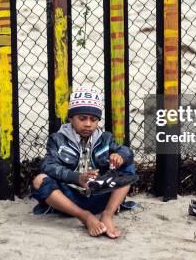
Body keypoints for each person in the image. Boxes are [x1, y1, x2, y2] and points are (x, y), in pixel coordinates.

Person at [31, 87, 135, 238]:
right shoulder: (57, 139)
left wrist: (120, 156)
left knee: (128, 166)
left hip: (100, 195)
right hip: (69, 199)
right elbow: (48, 166)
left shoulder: (105, 138)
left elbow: (127, 151)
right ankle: (85, 216)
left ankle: (107, 215)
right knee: (39, 180)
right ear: (71, 118)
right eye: (82, 118)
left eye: (93, 120)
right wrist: (77, 178)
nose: (88, 124)